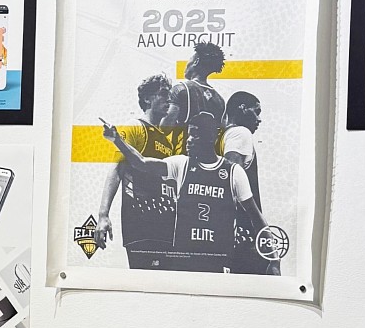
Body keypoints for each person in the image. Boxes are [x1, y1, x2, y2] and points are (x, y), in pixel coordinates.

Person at [104, 107, 262, 273]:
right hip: (185, 260)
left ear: (210, 138)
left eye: (194, 134)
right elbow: (142, 163)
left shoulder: (233, 172)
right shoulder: (182, 164)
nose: (188, 140)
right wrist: (117, 141)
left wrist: (272, 258)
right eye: (189, 134)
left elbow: (256, 217)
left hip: (218, 260)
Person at [90, 74, 186, 269]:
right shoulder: (135, 126)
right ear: (147, 99)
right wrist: (103, 215)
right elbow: (116, 169)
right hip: (141, 224)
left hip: (165, 225)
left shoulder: (166, 140)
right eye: (162, 94)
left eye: (169, 94)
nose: (168, 99)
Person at [220, 90, 278, 275]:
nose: (259, 119)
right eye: (256, 111)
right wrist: (273, 254)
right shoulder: (240, 133)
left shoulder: (221, 137)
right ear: (242, 109)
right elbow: (233, 178)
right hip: (246, 235)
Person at [166, 41, 227, 139]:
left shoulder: (181, 89)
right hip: (208, 153)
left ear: (196, 61)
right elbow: (220, 137)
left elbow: (164, 128)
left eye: (189, 59)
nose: (186, 64)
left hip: (184, 152)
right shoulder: (220, 101)